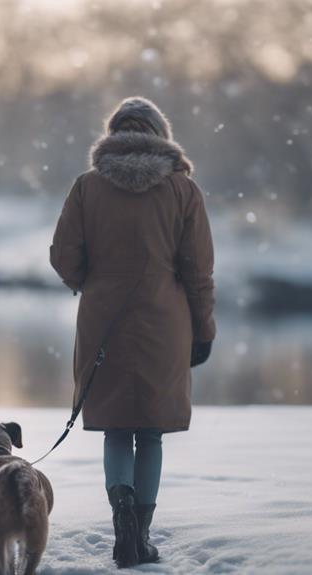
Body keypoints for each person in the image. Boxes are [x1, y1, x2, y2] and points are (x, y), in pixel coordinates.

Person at [50, 96, 216, 568]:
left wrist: (94, 283)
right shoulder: (184, 191)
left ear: (114, 134)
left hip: (105, 321)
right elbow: (199, 272)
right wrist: (203, 330)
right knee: (152, 433)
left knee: (117, 430)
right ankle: (140, 534)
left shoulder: (87, 187)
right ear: (159, 135)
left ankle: (121, 523)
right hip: (166, 324)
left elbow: (63, 256)